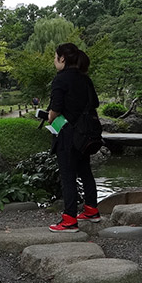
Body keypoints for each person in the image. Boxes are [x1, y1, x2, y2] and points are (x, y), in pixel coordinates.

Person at [47, 43, 102, 232]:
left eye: (55, 57)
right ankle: (91, 210)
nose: (54, 61)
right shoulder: (85, 79)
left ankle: (69, 219)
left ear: (62, 58)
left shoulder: (61, 79)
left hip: (68, 133)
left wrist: (49, 117)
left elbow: (55, 109)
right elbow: (94, 102)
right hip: (86, 133)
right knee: (85, 170)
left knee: (68, 175)